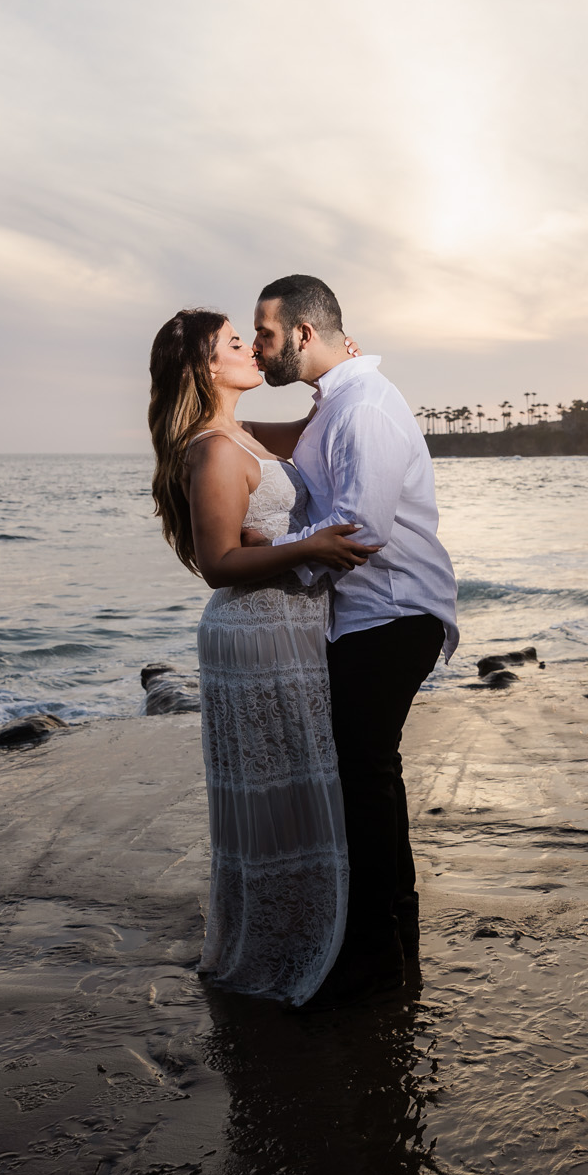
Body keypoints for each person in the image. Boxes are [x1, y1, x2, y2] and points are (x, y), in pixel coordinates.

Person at [146, 308, 380, 1007]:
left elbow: (319, 432)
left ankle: (308, 933)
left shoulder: (240, 432)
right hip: (252, 629)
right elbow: (220, 562)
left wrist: (339, 367)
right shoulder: (213, 449)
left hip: (287, 624)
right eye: (237, 343)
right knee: (279, 788)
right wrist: (307, 546)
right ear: (206, 367)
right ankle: (279, 946)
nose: (252, 350)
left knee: (299, 779)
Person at [241, 275, 458, 1004]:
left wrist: (266, 547)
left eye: (265, 333)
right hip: (373, 617)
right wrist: (216, 427)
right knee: (368, 776)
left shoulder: (363, 408)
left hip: (394, 613)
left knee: (362, 778)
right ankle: (390, 939)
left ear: (303, 333)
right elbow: (296, 456)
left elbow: (360, 531)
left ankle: (374, 955)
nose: (260, 346)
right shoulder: (337, 402)